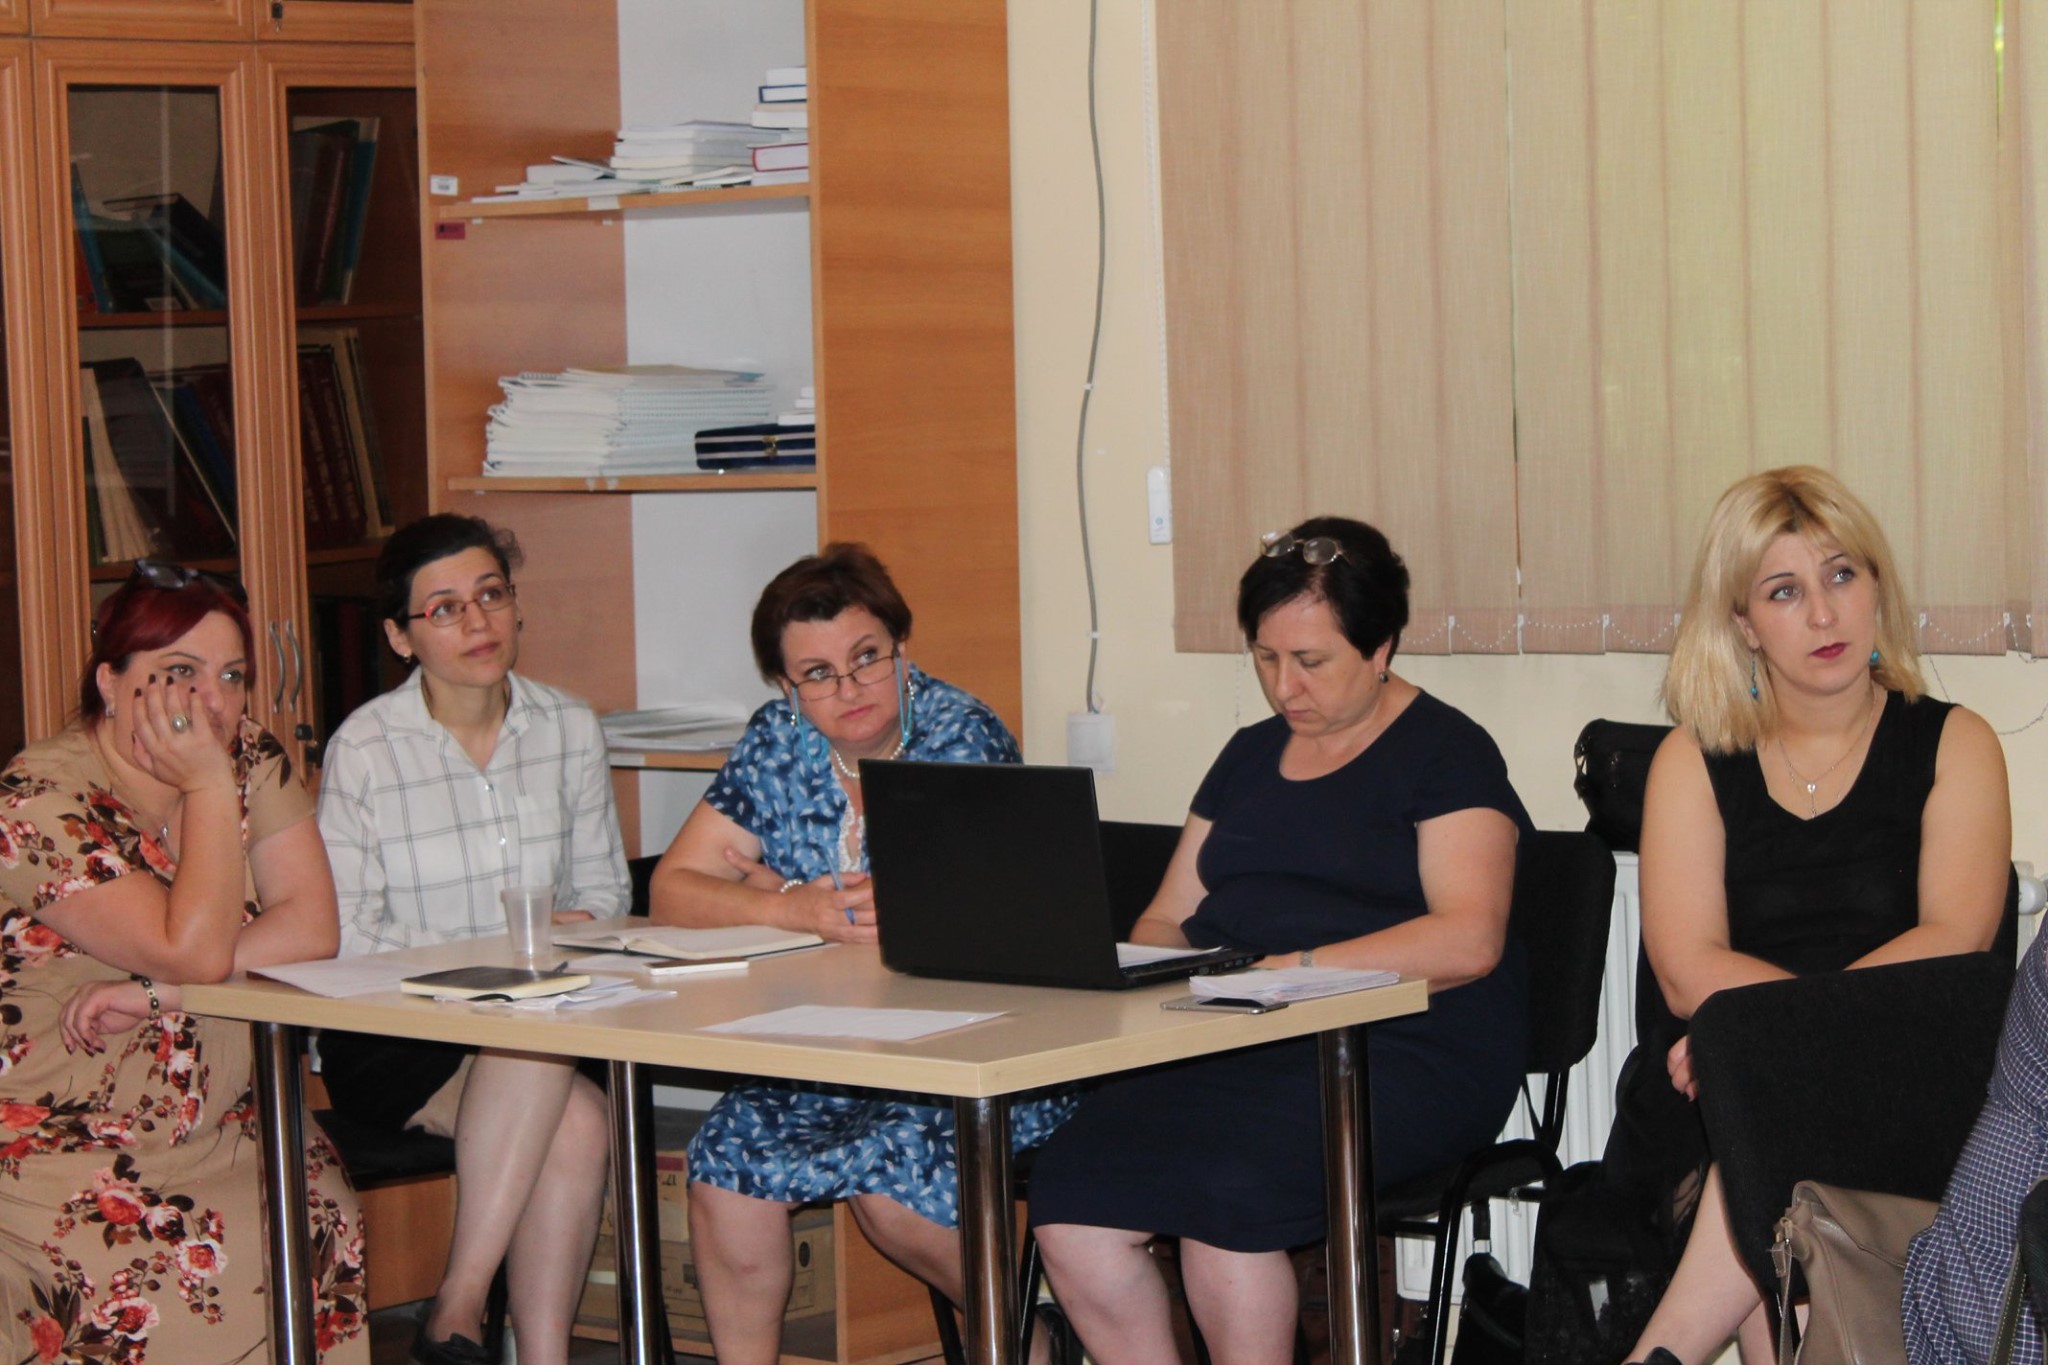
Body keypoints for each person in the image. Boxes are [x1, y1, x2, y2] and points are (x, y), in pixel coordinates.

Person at [1029, 516, 1533, 1365]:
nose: (1284, 686)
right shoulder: (1249, 756)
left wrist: (1292, 971)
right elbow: (1166, 916)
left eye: (1311, 661)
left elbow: (1468, 939)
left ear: (1381, 648)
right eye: (1265, 658)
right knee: (1072, 1188)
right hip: (1238, 1032)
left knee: (1230, 1195)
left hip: (1402, 1043)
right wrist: (1167, 982)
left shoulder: (1447, 753)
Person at [1619, 466, 2011, 1365]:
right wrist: (1762, 1053)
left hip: (1909, 1071)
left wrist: (1779, 1045)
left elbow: (1954, 944)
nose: (1825, 613)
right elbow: (1685, 967)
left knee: (1768, 1132)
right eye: (1785, 591)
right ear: (1743, 623)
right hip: (1710, 1084)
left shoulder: (1958, 742)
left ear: (1877, 586)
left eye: (1842, 575)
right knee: (1760, 1141)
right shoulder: (1691, 757)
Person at [648, 543, 1073, 1365]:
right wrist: (791, 904)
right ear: (785, 686)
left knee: (889, 1185)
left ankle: (1029, 1337)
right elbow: (675, 889)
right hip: (827, 1047)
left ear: (902, 647)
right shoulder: (777, 741)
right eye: (817, 674)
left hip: (970, 1052)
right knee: (725, 1164)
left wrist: (791, 898)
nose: (848, 689)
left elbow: (932, 917)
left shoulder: (958, 735)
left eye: (866, 658)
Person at [0, 561, 367, 1362]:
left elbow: (312, 925)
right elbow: (191, 947)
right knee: (155, 1267)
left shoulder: (249, 752)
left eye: (231, 676)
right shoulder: (36, 801)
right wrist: (206, 785)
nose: (211, 702)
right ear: (110, 681)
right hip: (71, 1139)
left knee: (319, 1215)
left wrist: (158, 990)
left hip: (229, 1120)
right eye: (178, 673)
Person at [314, 514, 629, 1365]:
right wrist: (497, 950)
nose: (477, 621)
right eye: (445, 607)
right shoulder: (365, 749)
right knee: (568, 1103)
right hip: (397, 1029)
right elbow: (351, 935)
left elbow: (604, 895)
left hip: (542, 1015)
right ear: (401, 636)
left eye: (491, 595)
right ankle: (466, 1312)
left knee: (566, 1099)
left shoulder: (568, 725)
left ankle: (470, 1323)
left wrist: (558, 939)